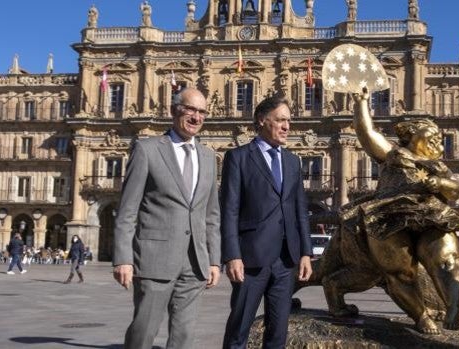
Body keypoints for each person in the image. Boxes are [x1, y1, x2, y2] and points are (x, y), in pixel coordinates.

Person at [334, 88, 459, 333]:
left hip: (431, 216)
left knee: (448, 259)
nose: (438, 140)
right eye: (432, 134)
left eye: (440, 138)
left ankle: (453, 307)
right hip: (390, 216)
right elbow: (367, 133)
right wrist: (362, 104)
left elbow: (456, 190)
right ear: (411, 133)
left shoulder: (437, 166)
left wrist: (440, 183)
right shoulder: (394, 154)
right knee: (400, 270)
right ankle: (420, 316)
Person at [113, 87, 221, 349]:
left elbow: (211, 214)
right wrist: (123, 258)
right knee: (144, 330)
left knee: (184, 336)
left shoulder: (209, 157)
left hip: (195, 261)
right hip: (154, 258)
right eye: (190, 110)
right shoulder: (147, 149)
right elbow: (128, 210)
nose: (197, 117)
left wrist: (214, 260)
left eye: (202, 112)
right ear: (174, 110)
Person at [221, 95, 313, 349]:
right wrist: (232, 255)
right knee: (239, 329)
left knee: (278, 333)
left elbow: (300, 210)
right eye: (281, 120)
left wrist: (305, 252)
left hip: (285, 260)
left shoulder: (293, 161)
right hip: (250, 258)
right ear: (262, 120)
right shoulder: (238, 157)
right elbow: (229, 209)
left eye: (289, 121)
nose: (287, 127)